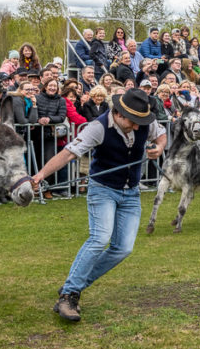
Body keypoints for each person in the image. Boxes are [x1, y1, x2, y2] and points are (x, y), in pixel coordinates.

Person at [30, 89, 167, 322]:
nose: (137, 127)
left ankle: (73, 286)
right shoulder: (97, 128)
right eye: (133, 122)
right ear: (119, 114)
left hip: (131, 193)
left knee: (123, 248)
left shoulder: (144, 122)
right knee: (99, 239)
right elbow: (68, 154)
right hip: (103, 190)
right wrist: (40, 176)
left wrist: (160, 148)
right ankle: (69, 294)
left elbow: (161, 134)